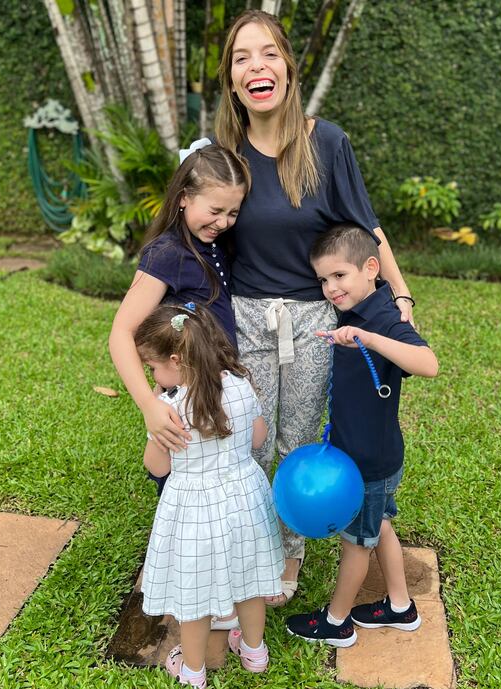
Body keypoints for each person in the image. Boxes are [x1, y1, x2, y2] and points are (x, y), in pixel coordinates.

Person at [210, 9, 417, 606]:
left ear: (288, 68)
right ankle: (241, 548)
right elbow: (199, 234)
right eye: (243, 57)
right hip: (244, 315)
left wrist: (398, 295)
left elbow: (365, 228)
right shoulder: (224, 153)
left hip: (312, 321)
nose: (258, 66)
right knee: (245, 440)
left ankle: (285, 556)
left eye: (269, 53)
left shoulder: (326, 142)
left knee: (296, 440)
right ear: (232, 79)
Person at [285, 224, 438, 646]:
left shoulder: (384, 318)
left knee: (356, 543)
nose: (330, 288)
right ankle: (400, 606)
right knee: (380, 526)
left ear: (371, 268)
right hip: (365, 454)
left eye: (339, 276)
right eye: (323, 280)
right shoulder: (353, 312)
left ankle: (336, 622)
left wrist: (368, 337)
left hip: (369, 460)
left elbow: (428, 363)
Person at [134, 303, 284, 687]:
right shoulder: (238, 385)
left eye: (153, 368)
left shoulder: (168, 408)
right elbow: (259, 438)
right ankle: (254, 652)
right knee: (250, 582)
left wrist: (154, 403)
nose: (153, 375)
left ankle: (193, 671)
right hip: (246, 499)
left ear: (174, 360)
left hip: (194, 511)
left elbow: (157, 467)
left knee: (194, 596)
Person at [109, 143, 250, 495]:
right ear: (185, 197)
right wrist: (149, 405)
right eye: (215, 210)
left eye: (233, 213)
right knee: (176, 481)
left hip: (215, 388)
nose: (223, 222)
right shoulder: (167, 253)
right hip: (182, 394)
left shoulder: (218, 244)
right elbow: (121, 332)